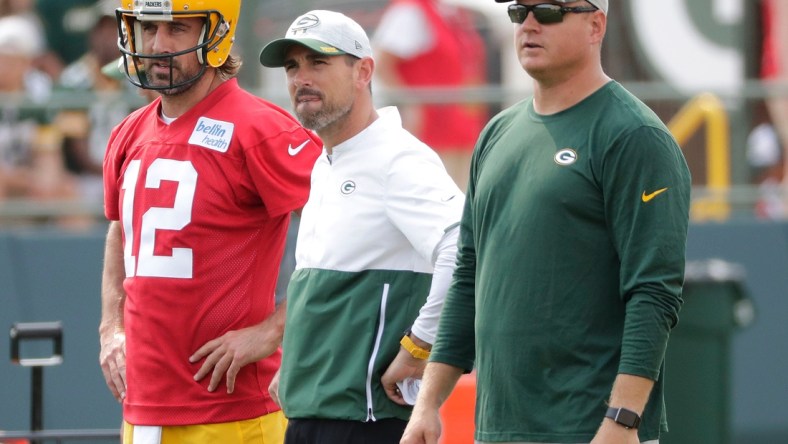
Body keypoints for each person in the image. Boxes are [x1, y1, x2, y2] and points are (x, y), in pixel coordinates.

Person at [402, 1, 692, 443]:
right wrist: (427, 404)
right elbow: (468, 276)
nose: (530, 24)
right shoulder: (497, 133)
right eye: (520, 12)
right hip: (498, 428)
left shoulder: (636, 136)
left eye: (550, 11)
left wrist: (623, 420)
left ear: (596, 25)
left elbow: (654, 291)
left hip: (591, 428)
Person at [98, 0, 321, 442]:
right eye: (147, 29)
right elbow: (122, 227)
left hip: (231, 411)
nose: (157, 45)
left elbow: (347, 228)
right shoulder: (129, 131)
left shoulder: (261, 129)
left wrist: (276, 329)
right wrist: (111, 326)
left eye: (177, 29)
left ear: (216, 36)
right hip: (142, 407)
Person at [259, 9, 465, 444]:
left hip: (368, 421)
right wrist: (298, 367)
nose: (301, 78)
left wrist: (419, 346)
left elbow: (465, 250)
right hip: (314, 411)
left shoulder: (397, 158)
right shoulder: (325, 161)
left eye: (319, 62)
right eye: (293, 66)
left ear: (363, 71)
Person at [373, 0, 488, 191]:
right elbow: (383, 64)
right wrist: (412, 106)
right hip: (432, 135)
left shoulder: (454, 11)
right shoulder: (411, 10)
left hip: (463, 129)